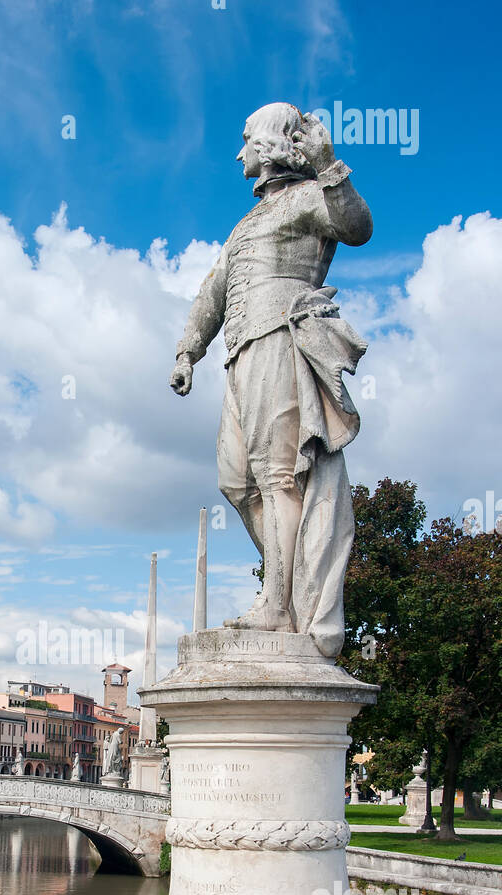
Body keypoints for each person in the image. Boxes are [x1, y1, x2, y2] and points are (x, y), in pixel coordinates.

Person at [171, 104, 372, 658]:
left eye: (245, 140)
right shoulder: (246, 222)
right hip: (240, 352)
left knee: (277, 476)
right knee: (236, 481)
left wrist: (331, 167)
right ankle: (289, 579)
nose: (239, 153)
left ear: (272, 143)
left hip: (279, 337)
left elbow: (357, 228)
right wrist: (189, 350)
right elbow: (214, 292)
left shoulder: (312, 197)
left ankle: (279, 606)